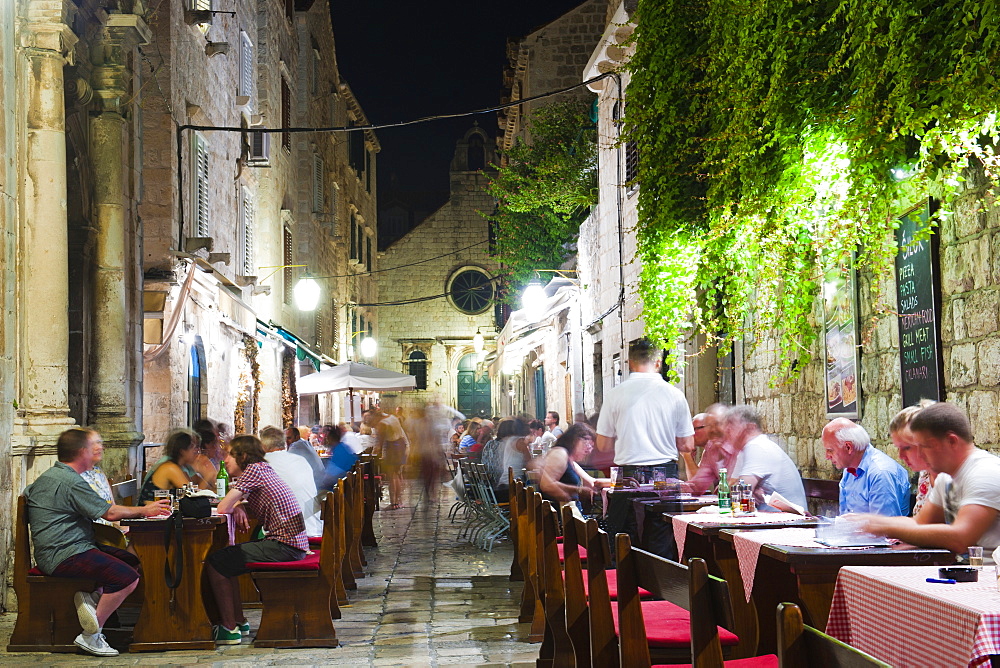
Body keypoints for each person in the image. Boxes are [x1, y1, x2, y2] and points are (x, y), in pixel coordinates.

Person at [24, 428, 171, 656]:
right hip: (63, 554)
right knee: (128, 579)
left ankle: (92, 600)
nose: (100, 447)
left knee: (130, 560)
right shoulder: (69, 481)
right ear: (82, 451)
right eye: (95, 444)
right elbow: (110, 513)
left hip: (70, 547)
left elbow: (30, 493)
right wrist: (146, 510)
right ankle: (91, 635)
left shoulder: (55, 476)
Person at [206, 434, 308, 644]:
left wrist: (234, 506)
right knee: (227, 560)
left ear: (243, 456)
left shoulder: (253, 470)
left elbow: (223, 507)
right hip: (293, 542)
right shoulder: (262, 469)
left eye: (230, 456)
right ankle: (239, 621)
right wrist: (241, 506)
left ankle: (228, 628)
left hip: (285, 545)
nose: (225, 460)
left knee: (217, 563)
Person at [859, 402, 1000, 554]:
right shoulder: (945, 478)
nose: (919, 455)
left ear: (951, 441)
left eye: (924, 446)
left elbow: (961, 539)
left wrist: (886, 527)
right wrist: (867, 522)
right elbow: (920, 523)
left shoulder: (985, 472)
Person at [595, 338, 696, 479]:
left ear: (630, 363)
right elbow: (687, 445)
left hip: (628, 474)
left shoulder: (614, 395)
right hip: (665, 472)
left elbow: (603, 445)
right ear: (658, 363)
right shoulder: (675, 395)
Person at [822, 418, 910, 516]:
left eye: (830, 450)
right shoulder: (850, 469)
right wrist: (816, 520)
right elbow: (845, 521)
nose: (827, 457)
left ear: (848, 447)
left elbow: (884, 527)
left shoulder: (880, 473)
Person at [725, 405, 807, 510]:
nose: (727, 430)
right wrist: (750, 492)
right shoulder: (754, 446)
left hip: (787, 522)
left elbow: (740, 494)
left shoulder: (757, 446)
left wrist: (745, 492)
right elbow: (742, 491)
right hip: (776, 520)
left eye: (732, 425)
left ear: (751, 427)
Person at [260, 426, 322, 537]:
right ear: (283, 443)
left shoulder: (263, 462)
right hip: (315, 529)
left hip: (293, 536)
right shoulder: (300, 460)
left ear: (262, 445)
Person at [538, 423, 610, 514]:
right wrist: (578, 490)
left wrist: (620, 482)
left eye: (592, 446)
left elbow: (593, 482)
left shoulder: (571, 460)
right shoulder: (560, 453)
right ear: (575, 440)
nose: (589, 449)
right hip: (560, 518)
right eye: (587, 443)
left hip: (571, 515)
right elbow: (546, 485)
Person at [889, 401, 937, 516]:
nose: (900, 456)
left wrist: (878, 523)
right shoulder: (925, 472)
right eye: (898, 448)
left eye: (907, 447)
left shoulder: (956, 476)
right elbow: (922, 523)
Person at [685, 404, 739, 496]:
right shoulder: (711, 449)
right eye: (709, 426)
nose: (713, 430)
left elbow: (740, 483)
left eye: (718, 424)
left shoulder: (741, 446)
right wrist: (671, 487)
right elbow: (697, 485)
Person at [138, 428, 200, 504]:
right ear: (182, 451)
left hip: (160, 513)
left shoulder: (181, 467)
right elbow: (193, 497)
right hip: (149, 514)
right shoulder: (170, 468)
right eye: (192, 447)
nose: (197, 451)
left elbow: (196, 492)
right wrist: (208, 473)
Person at [372, 408, 410, 510]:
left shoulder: (382, 423)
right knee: (397, 475)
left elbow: (379, 444)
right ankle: (397, 500)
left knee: (391, 476)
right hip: (400, 446)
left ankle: (393, 502)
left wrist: (373, 455)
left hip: (392, 448)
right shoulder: (392, 417)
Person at [285, 424, 327, 490]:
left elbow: (286, 465)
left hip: (316, 487)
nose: (286, 441)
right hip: (321, 482)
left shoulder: (296, 446)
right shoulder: (304, 443)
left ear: (297, 437)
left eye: (289, 438)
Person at [191, 419, 225, 490]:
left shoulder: (199, 459)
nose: (216, 448)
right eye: (214, 444)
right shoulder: (202, 459)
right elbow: (218, 483)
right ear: (206, 446)